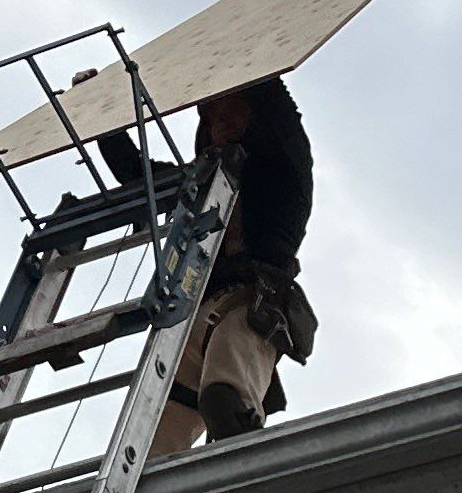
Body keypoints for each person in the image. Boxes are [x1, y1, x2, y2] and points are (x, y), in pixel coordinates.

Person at [94, 74, 317, 456]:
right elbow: (138, 173)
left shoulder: (280, 169)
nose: (222, 123)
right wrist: (101, 108)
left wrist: (244, 56)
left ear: (255, 117)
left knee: (226, 400)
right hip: (192, 318)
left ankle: (244, 467)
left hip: (250, 304)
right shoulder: (200, 181)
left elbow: (279, 112)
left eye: (233, 111)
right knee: (147, 450)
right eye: (212, 116)